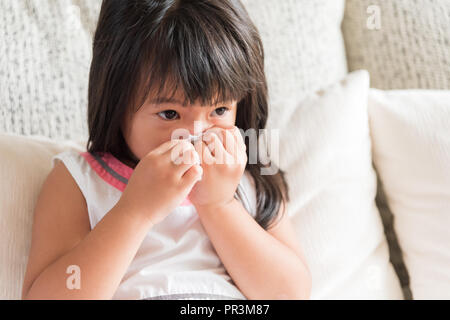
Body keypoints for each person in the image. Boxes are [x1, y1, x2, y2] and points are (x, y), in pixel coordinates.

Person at [21, 0, 311, 300]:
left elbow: (290, 293)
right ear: (117, 106)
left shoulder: (248, 182)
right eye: (170, 114)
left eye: (220, 109)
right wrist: (135, 212)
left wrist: (219, 205)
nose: (196, 134)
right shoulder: (80, 182)